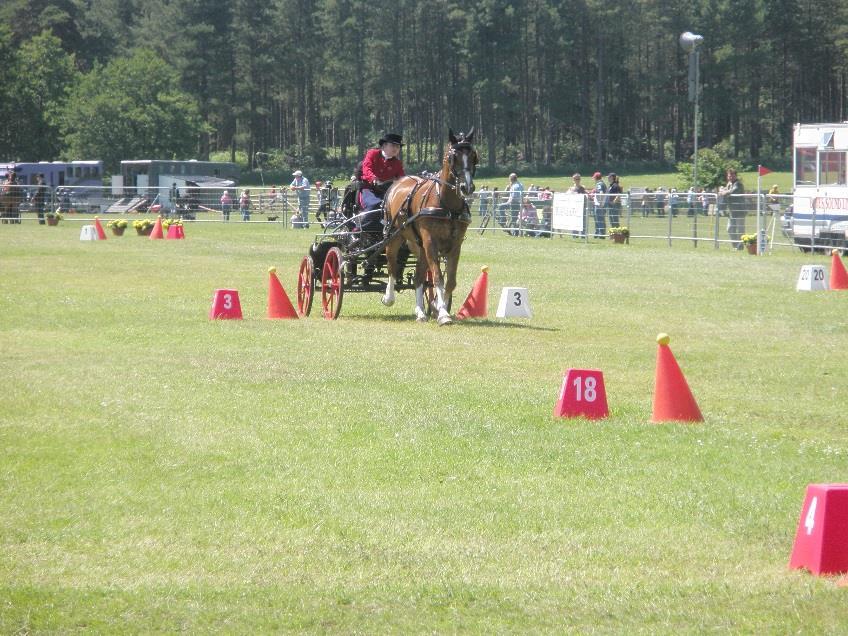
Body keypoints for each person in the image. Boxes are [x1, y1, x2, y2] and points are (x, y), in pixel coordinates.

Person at [357, 132, 406, 240]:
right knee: (377, 205)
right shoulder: (372, 153)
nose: (396, 149)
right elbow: (367, 169)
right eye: (393, 145)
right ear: (384, 146)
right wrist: (374, 179)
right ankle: (358, 227)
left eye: (398, 147)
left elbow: (402, 178)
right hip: (368, 189)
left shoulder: (397, 163)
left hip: (386, 192)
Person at [719, 168, 746, 249]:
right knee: (730, 229)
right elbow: (725, 190)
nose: (730, 177)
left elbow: (732, 191)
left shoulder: (738, 184)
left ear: (735, 175)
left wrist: (723, 192)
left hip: (739, 211)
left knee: (740, 230)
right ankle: (736, 246)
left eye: (732, 175)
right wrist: (722, 189)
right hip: (732, 211)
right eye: (729, 176)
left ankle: (740, 246)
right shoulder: (729, 184)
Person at [591, 171, 607, 238]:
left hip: (599, 205)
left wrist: (600, 202)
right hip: (599, 204)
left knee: (600, 220)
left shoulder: (599, 184)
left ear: (596, 178)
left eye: (594, 178)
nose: (593, 179)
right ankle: (598, 233)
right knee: (598, 219)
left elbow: (601, 192)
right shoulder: (601, 183)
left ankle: (601, 234)